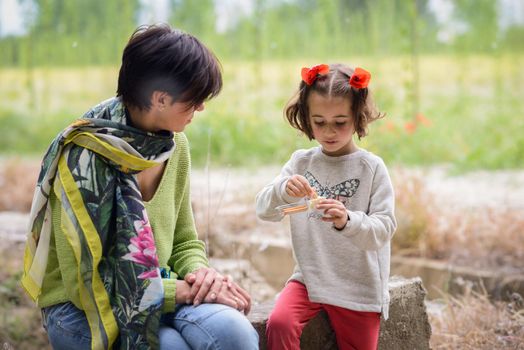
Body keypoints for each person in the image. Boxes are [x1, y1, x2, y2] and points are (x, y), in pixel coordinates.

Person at [21, 23, 259, 350]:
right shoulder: (84, 158)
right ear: (160, 99)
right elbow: (87, 284)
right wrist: (182, 292)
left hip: (163, 289)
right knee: (170, 345)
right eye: (193, 100)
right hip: (82, 309)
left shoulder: (175, 146)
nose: (201, 108)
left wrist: (203, 277)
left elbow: (183, 240)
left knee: (237, 333)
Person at [255, 63, 397, 350]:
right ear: (307, 119)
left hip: (359, 288)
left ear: (358, 118)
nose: (329, 131)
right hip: (309, 280)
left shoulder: (371, 168)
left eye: (340, 122)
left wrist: (348, 221)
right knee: (279, 323)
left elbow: (384, 228)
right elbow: (264, 211)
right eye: (319, 122)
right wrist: (283, 191)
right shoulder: (301, 163)